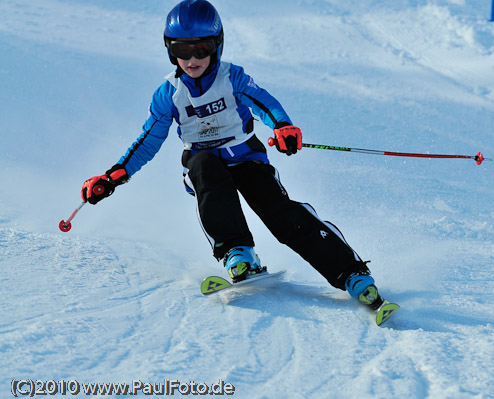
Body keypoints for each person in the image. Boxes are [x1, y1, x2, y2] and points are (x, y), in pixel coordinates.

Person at [81, 0, 388, 312]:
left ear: (218, 45)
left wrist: (282, 126)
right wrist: (114, 175)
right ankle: (237, 252)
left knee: (277, 211)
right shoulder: (169, 93)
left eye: (201, 48)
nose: (191, 59)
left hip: (246, 158)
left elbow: (265, 104)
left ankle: (351, 273)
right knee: (205, 169)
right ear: (169, 49)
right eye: (181, 50)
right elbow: (148, 140)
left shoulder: (232, 78)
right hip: (203, 163)